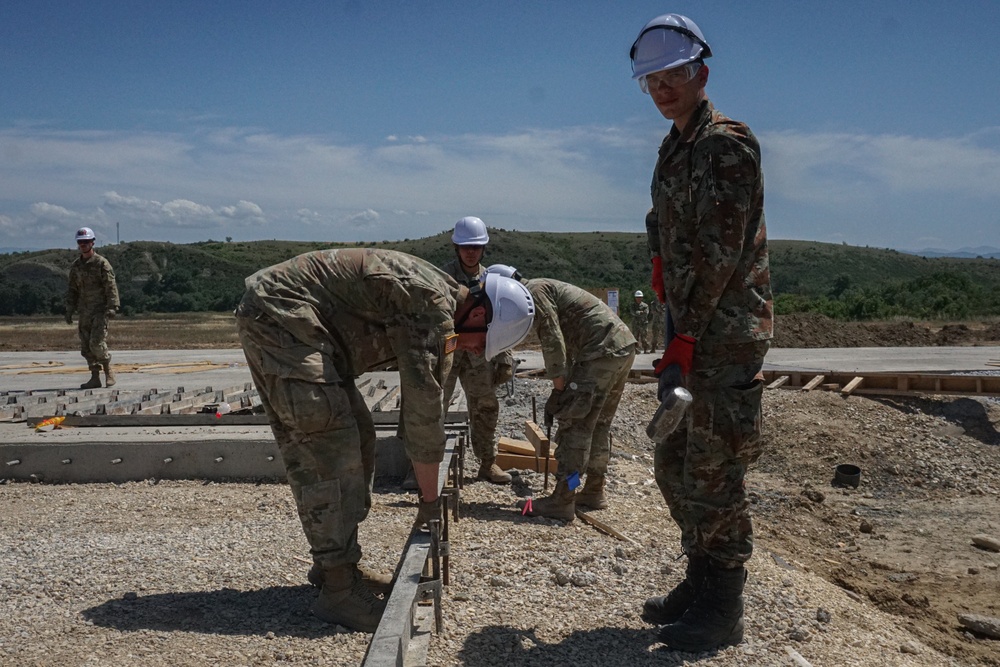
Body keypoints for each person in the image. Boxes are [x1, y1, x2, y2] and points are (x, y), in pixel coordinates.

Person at [234, 248, 533, 633]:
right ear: (477, 314)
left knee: (359, 436)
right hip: (280, 318)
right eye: (480, 343)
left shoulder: (440, 302)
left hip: (305, 326)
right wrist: (429, 501)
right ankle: (338, 590)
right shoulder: (431, 310)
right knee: (328, 444)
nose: (475, 352)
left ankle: (339, 568)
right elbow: (424, 411)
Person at [630, 13, 773, 652]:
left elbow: (721, 249)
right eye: (651, 80)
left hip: (723, 333)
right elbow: (666, 222)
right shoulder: (674, 145)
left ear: (701, 73)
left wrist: (685, 337)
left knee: (714, 470)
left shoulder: (725, 144)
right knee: (673, 460)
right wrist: (660, 265)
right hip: (685, 326)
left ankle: (724, 606)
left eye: (673, 76)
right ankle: (699, 576)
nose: (662, 89)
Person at [487, 265, 636, 521]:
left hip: (600, 351)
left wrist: (559, 392)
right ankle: (593, 490)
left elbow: (553, 340)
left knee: (575, 424)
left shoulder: (535, 292)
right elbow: (567, 340)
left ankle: (564, 498)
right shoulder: (546, 286)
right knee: (598, 424)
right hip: (621, 347)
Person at [438, 217, 515, 484]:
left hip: (479, 352)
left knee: (485, 406)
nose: (471, 251)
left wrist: (505, 356)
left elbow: (501, 319)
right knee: (435, 406)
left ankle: (487, 463)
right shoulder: (442, 277)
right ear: (456, 248)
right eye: (465, 246)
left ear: (483, 249)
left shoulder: (493, 280)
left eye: (476, 246)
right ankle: (422, 465)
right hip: (447, 349)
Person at [65, 227, 120, 389]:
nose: (83, 245)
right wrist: (69, 308)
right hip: (84, 310)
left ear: (92, 243)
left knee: (96, 342)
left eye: (86, 242)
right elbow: (72, 289)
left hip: (100, 310)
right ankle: (94, 376)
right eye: (80, 242)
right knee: (86, 346)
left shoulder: (101, 263)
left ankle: (108, 370)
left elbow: (110, 285)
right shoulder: (76, 266)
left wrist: (113, 306)